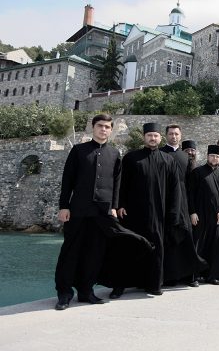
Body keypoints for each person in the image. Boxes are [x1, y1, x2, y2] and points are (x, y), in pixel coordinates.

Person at [54, 114, 152, 310]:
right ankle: (64, 293)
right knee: (70, 252)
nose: (104, 129)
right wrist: (64, 206)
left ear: (110, 130)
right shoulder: (78, 151)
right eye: (100, 126)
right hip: (78, 211)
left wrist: (114, 207)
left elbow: (117, 184)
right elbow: (68, 181)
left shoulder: (115, 154)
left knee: (94, 254)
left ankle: (86, 291)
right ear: (93, 127)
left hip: (103, 213)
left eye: (107, 127)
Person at [111, 122, 181, 297]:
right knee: (128, 248)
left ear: (160, 138)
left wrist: (173, 212)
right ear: (144, 137)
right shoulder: (131, 158)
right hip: (133, 212)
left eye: (156, 135)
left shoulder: (168, 160)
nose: (153, 138)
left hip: (159, 213)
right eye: (150, 135)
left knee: (157, 249)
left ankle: (154, 284)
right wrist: (120, 205)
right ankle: (120, 285)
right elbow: (121, 184)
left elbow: (175, 189)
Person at [159, 126, 206, 287]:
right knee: (165, 239)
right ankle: (166, 277)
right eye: (171, 134)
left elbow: (191, 186)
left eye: (176, 134)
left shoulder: (185, 157)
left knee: (185, 238)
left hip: (183, 204)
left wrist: (192, 210)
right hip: (164, 202)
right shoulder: (159, 154)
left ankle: (188, 276)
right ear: (166, 136)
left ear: (181, 136)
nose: (173, 136)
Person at [188, 145, 219, 285]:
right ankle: (195, 276)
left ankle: (212, 275)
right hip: (200, 215)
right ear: (208, 156)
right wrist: (192, 212)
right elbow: (190, 194)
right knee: (199, 245)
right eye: (212, 156)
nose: (215, 158)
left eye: (217, 156)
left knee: (216, 247)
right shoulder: (197, 172)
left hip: (217, 217)